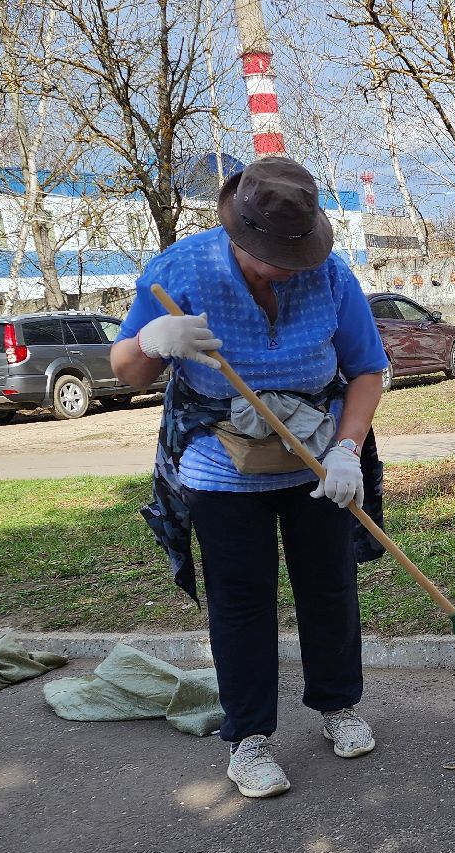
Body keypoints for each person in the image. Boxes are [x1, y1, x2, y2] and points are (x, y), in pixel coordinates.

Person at [111, 157, 391, 799]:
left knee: (329, 588)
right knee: (241, 603)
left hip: (317, 459)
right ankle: (249, 739)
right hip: (220, 464)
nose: (286, 270)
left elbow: (367, 369)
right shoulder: (182, 271)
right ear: (236, 231)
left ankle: (338, 705)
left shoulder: (331, 275)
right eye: (270, 257)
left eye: (295, 257)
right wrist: (154, 341)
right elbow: (126, 370)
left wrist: (347, 449)